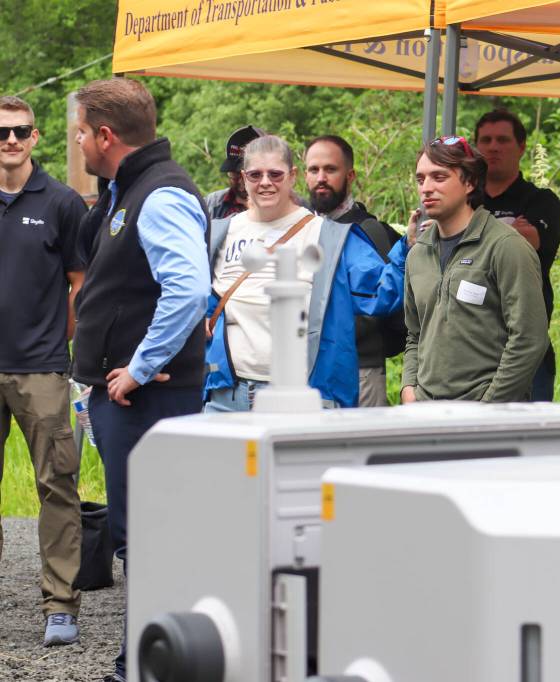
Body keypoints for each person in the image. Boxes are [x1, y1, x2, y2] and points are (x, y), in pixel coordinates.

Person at [71, 78, 210, 682]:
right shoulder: (128, 190)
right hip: (130, 398)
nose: (75, 142)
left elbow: (188, 289)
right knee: (144, 536)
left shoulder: (160, 195)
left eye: (78, 131)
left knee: (151, 538)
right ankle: (147, 661)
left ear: (104, 135)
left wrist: (141, 368)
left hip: (150, 397)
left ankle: (148, 667)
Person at [206, 135, 412, 410]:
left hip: (300, 396)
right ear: (243, 178)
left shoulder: (327, 235)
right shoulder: (220, 232)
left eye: (275, 174)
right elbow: (199, 297)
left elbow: (381, 293)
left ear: (292, 176)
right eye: (255, 174)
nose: (265, 182)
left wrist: (407, 246)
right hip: (226, 395)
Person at [0, 95, 86, 646]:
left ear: (36, 138)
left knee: (57, 485)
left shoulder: (61, 202)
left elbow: (81, 283)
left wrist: (59, 339)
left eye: (20, 131)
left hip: (41, 369)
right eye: (2, 132)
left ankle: (60, 605)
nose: (10, 140)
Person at [401, 136, 549, 403]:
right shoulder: (418, 253)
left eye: (439, 177)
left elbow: (529, 340)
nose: (426, 188)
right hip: (425, 413)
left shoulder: (506, 247)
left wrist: (488, 406)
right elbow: (414, 334)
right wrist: (409, 390)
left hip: (488, 419)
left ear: (469, 182)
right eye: (421, 179)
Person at [304, 135, 407, 406]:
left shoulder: (372, 232)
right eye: (314, 170)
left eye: (330, 169)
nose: (321, 177)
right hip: (305, 370)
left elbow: (396, 305)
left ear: (350, 175)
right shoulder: (299, 231)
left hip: (362, 370)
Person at [474, 110, 560, 401]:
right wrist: (509, 228)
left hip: (526, 348)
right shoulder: (464, 198)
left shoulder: (541, 201)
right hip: (470, 348)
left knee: (529, 443)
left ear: (521, 147)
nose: (493, 147)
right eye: (485, 140)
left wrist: (470, 234)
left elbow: (530, 240)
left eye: (503, 139)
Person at [205, 124, 265, 220]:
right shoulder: (212, 204)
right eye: (235, 175)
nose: (241, 185)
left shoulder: (285, 206)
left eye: (252, 175)